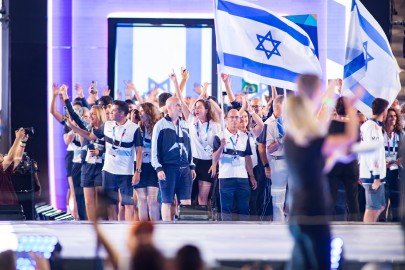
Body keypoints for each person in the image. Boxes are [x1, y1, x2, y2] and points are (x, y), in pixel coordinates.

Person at [284, 93, 358, 270]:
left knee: (301, 265)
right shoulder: (314, 142)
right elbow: (349, 138)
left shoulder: (290, 140)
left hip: (296, 214)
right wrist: (352, 111)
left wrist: (334, 157)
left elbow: (318, 168)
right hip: (314, 213)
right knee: (321, 264)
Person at [67, 100, 143, 221]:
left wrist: (137, 171)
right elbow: (89, 136)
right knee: (110, 205)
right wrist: (73, 127)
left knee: (128, 204)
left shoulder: (134, 128)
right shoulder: (107, 125)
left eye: (114, 111)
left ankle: (128, 233)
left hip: (126, 173)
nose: (111, 113)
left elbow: (139, 151)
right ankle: (113, 232)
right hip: (108, 171)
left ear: (122, 113)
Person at [151, 94, 196, 221]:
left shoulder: (185, 124)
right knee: (167, 201)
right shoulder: (160, 125)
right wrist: (158, 168)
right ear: (169, 108)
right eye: (177, 105)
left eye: (180, 105)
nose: (180, 107)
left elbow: (189, 146)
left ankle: (185, 229)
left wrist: (191, 166)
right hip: (167, 169)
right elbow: (155, 149)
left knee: (186, 202)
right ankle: (167, 229)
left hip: (185, 169)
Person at [212, 109, 257, 221]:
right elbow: (215, 158)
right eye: (231, 117)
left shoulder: (244, 137)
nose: (234, 120)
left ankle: (244, 234)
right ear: (227, 119)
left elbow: (247, 157)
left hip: (242, 178)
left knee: (244, 209)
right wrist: (221, 146)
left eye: (237, 117)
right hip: (226, 177)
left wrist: (251, 175)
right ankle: (226, 235)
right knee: (226, 210)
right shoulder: (219, 136)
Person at [327, 97, 360, 221]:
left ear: (336, 109)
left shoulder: (330, 125)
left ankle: (330, 224)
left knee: (331, 197)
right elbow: (357, 144)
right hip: (350, 164)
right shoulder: (354, 126)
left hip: (334, 164)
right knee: (352, 198)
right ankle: (355, 224)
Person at [359, 98, 389, 223]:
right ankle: (367, 233)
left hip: (374, 173)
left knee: (380, 206)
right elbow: (373, 152)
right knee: (373, 208)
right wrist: (376, 176)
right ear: (384, 111)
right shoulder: (372, 127)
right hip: (373, 175)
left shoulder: (371, 126)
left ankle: (369, 231)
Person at [133, 102, 161, 221]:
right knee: (142, 199)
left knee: (152, 199)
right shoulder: (137, 128)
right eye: (139, 112)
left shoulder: (157, 127)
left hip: (153, 165)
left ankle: (156, 227)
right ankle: (143, 229)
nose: (140, 114)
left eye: (142, 111)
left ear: (149, 112)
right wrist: (133, 121)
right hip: (140, 165)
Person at [264, 96, 290, 222]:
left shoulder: (294, 124)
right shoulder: (271, 125)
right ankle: (278, 225)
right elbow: (268, 149)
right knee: (278, 197)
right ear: (279, 105)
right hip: (278, 162)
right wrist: (280, 141)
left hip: (293, 162)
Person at [381, 107, 403, 222]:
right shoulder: (380, 132)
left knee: (396, 202)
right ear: (385, 118)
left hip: (396, 172)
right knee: (382, 202)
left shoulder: (400, 133)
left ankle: (395, 224)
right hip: (383, 171)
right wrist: (381, 162)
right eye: (390, 116)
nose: (393, 118)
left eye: (394, 116)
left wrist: (401, 158)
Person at [0, 128, 29, 205]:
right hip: (3, 209)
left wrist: (22, 142)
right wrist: (18, 138)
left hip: (12, 207)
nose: (1, 154)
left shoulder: (5, 170)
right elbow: (10, 158)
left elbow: (17, 159)